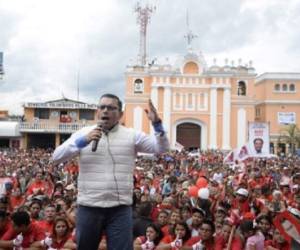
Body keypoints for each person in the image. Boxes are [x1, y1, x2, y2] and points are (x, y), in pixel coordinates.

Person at [52, 93, 170, 250]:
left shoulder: (131, 135)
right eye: (102, 107)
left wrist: (156, 124)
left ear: (120, 114)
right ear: (97, 112)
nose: (106, 111)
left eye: (111, 108)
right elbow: (56, 157)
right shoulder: (84, 134)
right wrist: (83, 141)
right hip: (89, 206)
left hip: (119, 209)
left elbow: (161, 148)